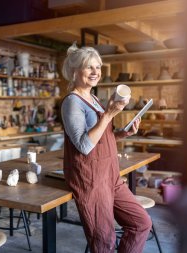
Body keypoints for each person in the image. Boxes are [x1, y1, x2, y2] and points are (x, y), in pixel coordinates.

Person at [61, 43, 152, 253]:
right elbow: (84, 145)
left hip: (110, 175)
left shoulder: (93, 98)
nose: (96, 72)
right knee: (104, 243)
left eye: (98, 67)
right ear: (75, 71)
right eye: (89, 67)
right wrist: (109, 114)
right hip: (91, 180)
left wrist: (123, 132)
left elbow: (102, 136)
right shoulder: (72, 103)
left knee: (141, 223)